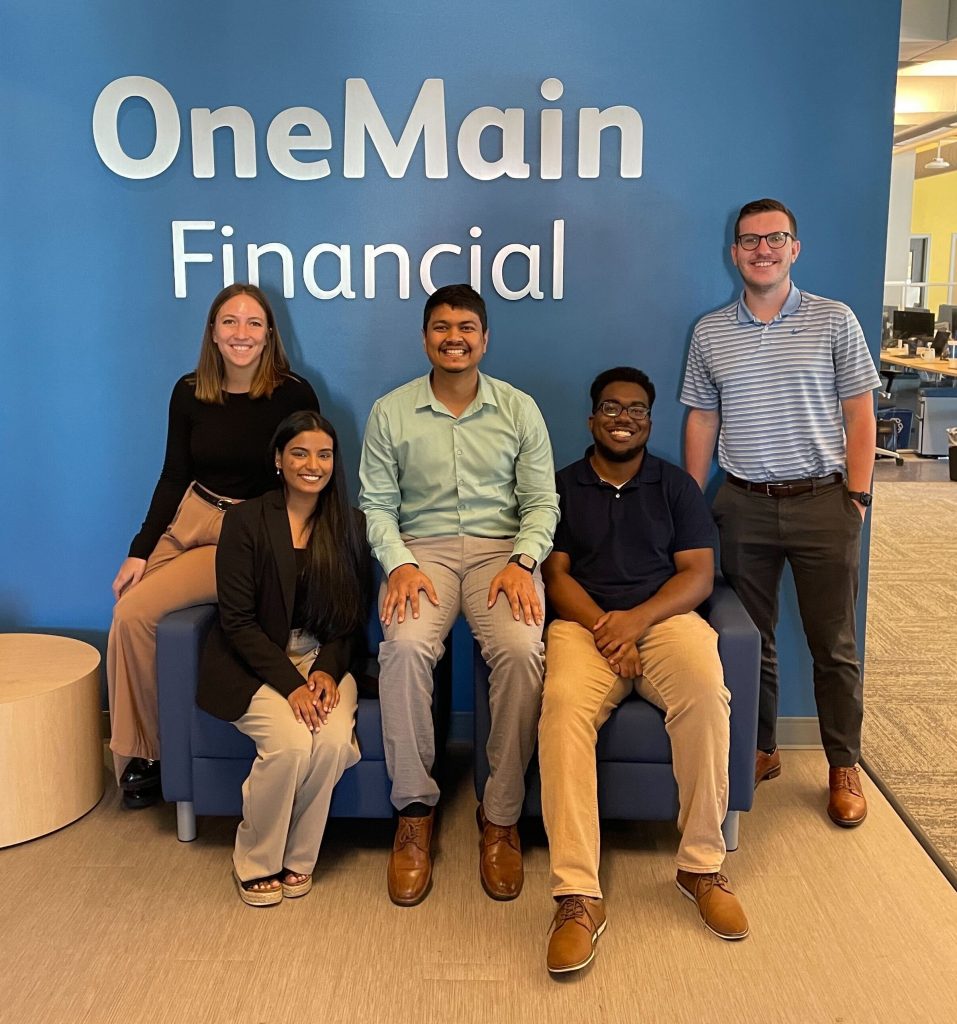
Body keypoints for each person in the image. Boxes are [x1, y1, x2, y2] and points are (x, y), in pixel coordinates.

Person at [539, 366, 748, 974]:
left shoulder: (675, 486)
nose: (623, 417)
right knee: (562, 712)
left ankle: (701, 866)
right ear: (591, 419)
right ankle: (577, 895)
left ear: (649, 421)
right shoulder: (562, 486)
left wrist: (636, 622)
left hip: (664, 621)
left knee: (708, 691)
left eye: (635, 409)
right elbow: (556, 577)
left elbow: (698, 576)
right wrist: (611, 630)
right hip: (585, 625)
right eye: (610, 407)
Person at [681, 198, 881, 827]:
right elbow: (702, 418)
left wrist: (857, 495)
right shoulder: (710, 331)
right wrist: (691, 504)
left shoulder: (834, 320)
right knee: (751, 641)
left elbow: (859, 413)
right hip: (743, 504)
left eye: (775, 239)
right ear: (733, 251)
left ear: (795, 248)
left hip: (825, 500)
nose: (761, 250)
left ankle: (843, 764)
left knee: (835, 643)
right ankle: (763, 749)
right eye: (749, 240)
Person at [359, 283, 559, 906]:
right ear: (425, 337)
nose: (454, 336)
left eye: (467, 327)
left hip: (503, 553)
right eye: (441, 326)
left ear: (484, 338)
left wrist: (526, 560)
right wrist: (397, 564)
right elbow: (376, 505)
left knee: (525, 651)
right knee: (406, 646)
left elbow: (542, 503)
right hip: (424, 553)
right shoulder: (390, 411)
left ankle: (499, 817)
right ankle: (414, 813)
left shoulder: (519, 409)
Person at [107, 284, 320, 808]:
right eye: (230, 322)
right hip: (192, 516)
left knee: (137, 613)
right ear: (213, 332)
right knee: (127, 611)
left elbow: (307, 475)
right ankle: (148, 748)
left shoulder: (294, 394)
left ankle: (153, 755)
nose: (241, 333)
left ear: (269, 334)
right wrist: (140, 548)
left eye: (253, 323)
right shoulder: (189, 390)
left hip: (246, 532)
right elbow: (173, 473)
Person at [197, 411, 369, 906]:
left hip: (322, 659)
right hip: (252, 661)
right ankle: (255, 859)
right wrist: (291, 685)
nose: (312, 464)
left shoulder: (349, 524)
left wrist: (326, 672)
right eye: (299, 452)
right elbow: (237, 622)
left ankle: (299, 857)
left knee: (333, 740)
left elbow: (350, 619)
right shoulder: (246, 521)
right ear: (278, 459)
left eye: (324, 454)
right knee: (292, 743)